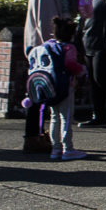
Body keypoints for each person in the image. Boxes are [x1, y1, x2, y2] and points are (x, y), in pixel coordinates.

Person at [22, 0, 78, 153]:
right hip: (46, 48)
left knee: (45, 91)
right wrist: (55, 47)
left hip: (53, 47)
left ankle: (41, 135)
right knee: (41, 90)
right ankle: (33, 136)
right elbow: (46, 19)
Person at [42, 16, 88, 160]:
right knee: (66, 117)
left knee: (54, 117)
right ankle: (68, 148)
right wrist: (82, 69)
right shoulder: (69, 47)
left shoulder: (48, 45)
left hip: (50, 86)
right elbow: (70, 64)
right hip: (65, 86)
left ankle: (55, 149)